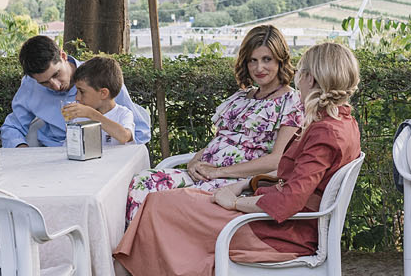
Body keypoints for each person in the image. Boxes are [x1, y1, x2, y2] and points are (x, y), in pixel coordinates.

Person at [114, 41, 362, 276]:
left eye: (302, 74)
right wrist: (244, 184)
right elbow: (290, 180)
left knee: (160, 210)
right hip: (271, 222)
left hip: (276, 233)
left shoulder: (324, 133)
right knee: (160, 208)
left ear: (314, 80)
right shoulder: (338, 123)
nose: (298, 80)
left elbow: (290, 199)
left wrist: (237, 201)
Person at [126, 25, 305, 225]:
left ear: (280, 60)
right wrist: (194, 162)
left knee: (165, 202)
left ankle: (150, 250)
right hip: (204, 175)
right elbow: (218, 141)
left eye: (266, 59)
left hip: (234, 184)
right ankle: (136, 251)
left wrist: (218, 172)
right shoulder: (242, 97)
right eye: (252, 60)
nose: (259, 68)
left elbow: (276, 161)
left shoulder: (290, 102)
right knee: (142, 182)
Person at [1, 35, 153, 148]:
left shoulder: (99, 77)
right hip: (52, 158)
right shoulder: (30, 86)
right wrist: (23, 151)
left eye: (56, 75)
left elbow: (140, 131)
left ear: (63, 56)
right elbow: (12, 127)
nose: (55, 86)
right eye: (44, 83)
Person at [65, 55, 138, 144]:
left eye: (82, 91)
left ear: (103, 93)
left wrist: (91, 114)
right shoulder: (79, 118)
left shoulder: (123, 114)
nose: (77, 97)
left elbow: (124, 137)